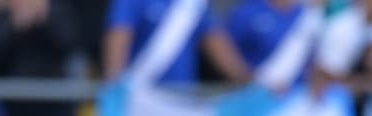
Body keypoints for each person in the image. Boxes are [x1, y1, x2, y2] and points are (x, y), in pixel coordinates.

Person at [102, 0, 249, 86]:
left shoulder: (194, 4)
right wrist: (114, 85)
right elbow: (118, 41)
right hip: (141, 99)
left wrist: (251, 84)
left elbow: (221, 50)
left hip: (181, 101)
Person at [227, 0, 324, 92]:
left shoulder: (311, 15)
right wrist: (250, 82)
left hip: (302, 97)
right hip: (256, 95)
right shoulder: (247, 13)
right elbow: (228, 54)